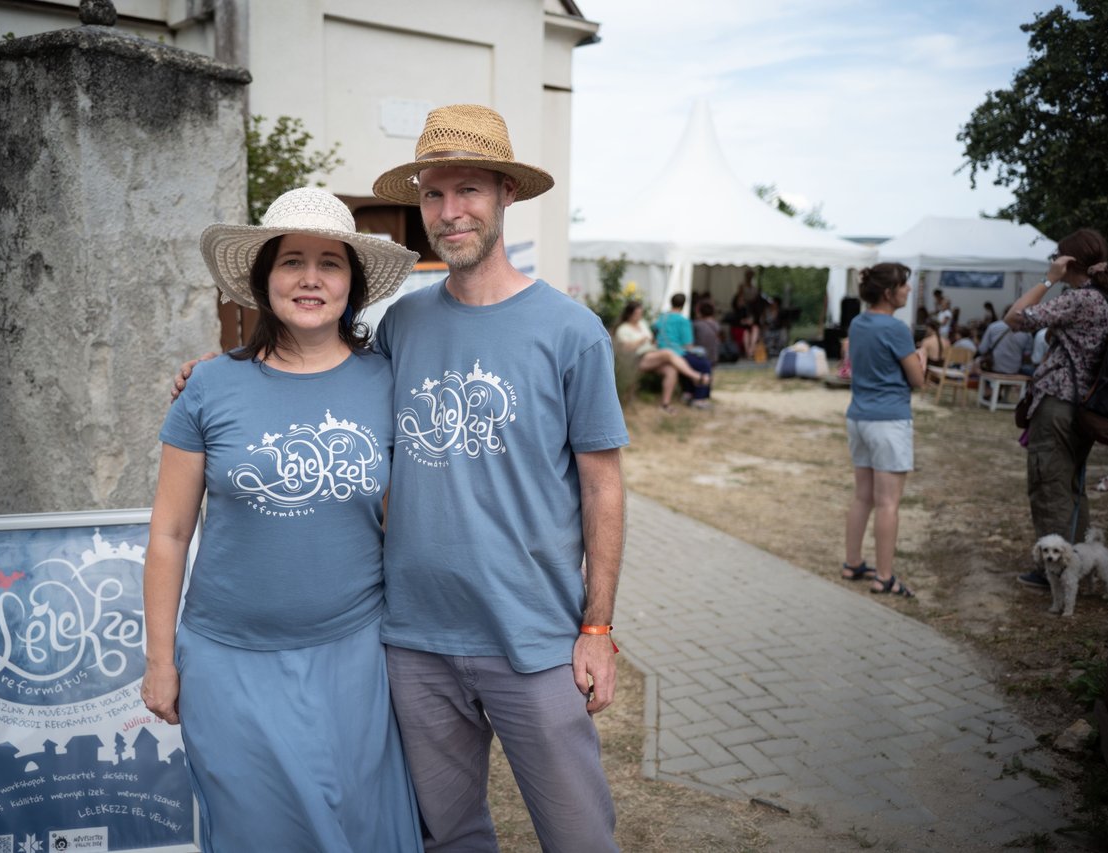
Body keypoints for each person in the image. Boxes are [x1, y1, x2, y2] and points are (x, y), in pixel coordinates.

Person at [179, 105, 628, 850]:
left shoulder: (570, 330)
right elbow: (313, 377)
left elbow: (603, 486)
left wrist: (599, 627)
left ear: (506, 194)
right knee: (448, 835)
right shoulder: (403, 326)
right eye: (433, 193)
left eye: (469, 191)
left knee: (580, 834)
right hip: (413, 640)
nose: (449, 212)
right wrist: (216, 374)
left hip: (536, 635)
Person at [141, 188, 423, 851]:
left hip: (352, 654)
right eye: (292, 260)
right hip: (226, 662)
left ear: (352, 284)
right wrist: (160, 660)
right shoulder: (210, 386)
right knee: (253, 830)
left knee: (355, 827)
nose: (310, 278)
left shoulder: (387, 380)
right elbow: (169, 531)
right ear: (263, 278)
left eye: (331, 263)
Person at [1004, 229, 1108, 589]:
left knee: (1049, 484)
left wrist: (1048, 279)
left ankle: (1053, 572)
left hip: (1059, 404)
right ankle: (1079, 565)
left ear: (1068, 261)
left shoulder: (1079, 299)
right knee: (1073, 486)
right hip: (1088, 406)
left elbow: (1015, 317)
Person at [841, 262, 925, 596]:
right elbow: (917, 381)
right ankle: (885, 577)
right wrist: (922, 358)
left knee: (863, 496)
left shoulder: (858, 322)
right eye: (904, 285)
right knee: (888, 502)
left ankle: (852, 563)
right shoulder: (896, 328)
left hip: (859, 417)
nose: (908, 290)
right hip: (889, 421)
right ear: (889, 292)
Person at [615, 299, 707, 411]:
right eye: (637, 314)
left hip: (651, 354)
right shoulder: (623, 329)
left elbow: (651, 338)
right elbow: (625, 348)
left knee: (671, 369)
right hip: (638, 358)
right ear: (629, 314)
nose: (639, 316)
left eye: (640, 313)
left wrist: (653, 341)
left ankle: (665, 405)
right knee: (668, 353)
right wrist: (640, 341)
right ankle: (695, 376)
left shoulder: (642, 324)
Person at [656, 293, 712, 407]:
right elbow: (688, 345)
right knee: (704, 364)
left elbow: (655, 329)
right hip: (677, 352)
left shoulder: (662, 317)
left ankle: (687, 392)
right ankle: (698, 398)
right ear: (683, 305)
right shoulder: (683, 321)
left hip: (660, 351)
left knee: (692, 361)